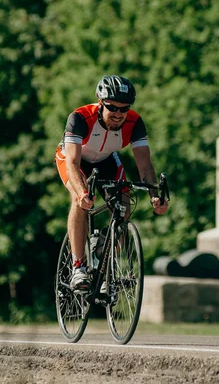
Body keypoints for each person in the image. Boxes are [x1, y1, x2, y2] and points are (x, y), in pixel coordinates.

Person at [55, 75, 169, 291]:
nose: (118, 114)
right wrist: (81, 193)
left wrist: (155, 196)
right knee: (80, 201)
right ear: (100, 102)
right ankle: (78, 266)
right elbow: (72, 161)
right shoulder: (79, 118)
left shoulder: (135, 122)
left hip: (107, 160)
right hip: (74, 160)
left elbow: (145, 166)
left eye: (124, 108)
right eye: (112, 107)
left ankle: (102, 261)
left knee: (124, 209)